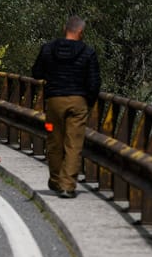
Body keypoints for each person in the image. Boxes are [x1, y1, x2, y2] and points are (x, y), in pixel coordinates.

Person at [31, 15, 100, 198]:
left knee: (54, 141)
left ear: (64, 28)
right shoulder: (88, 52)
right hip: (78, 103)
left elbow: (36, 72)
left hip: (54, 102)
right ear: (81, 32)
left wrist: (52, 74)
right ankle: (67, 186)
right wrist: (88, 102)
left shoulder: (48, 49)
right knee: (74, 144)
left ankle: (55, 180)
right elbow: (94, 82)